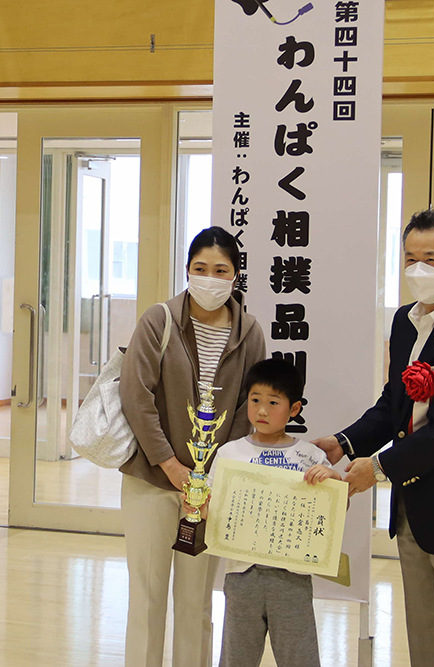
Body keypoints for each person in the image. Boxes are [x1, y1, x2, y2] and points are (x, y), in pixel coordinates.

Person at [312, 208, 434, 667]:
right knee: (424, 645)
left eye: (432, 258)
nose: (418, 269)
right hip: (413, 513)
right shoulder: (405, 322)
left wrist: (377, 468)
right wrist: (344, 441)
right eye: (410, 258)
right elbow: (393, 404)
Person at [119, 226, 267, 667]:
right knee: (146, 601)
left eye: (221, 270)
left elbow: (250, 408)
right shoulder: (159, 320)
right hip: (151, 480)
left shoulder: (250, 332)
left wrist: (212, 475)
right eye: (200, 268)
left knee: (197, 605)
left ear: (236, 276)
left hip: (212, 490)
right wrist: (170, 465)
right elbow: (136, 396)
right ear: (187, 270)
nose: (209, 278)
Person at [196, 358, 340, 667]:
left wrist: (335, 480)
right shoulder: (229, 453)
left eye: (273, 402)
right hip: (241, 575)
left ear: (294, 409)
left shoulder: (310, 456)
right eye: (255, 400)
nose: (261, 410)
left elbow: (335, 510)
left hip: (293, 579)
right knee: (237, 657)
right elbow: (213, 510)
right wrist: (198, 505)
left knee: (299, 657)